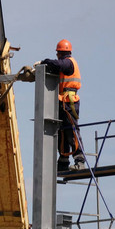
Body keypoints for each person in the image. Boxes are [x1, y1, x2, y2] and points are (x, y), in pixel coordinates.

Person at [34, 39, 86, 171]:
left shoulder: (68, 63)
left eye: (58, 53)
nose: (57, 55)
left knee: (71, 131)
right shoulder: (64, 63)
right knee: (61, 132)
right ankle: (63, 161)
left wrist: (44, 62)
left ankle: (79, 160)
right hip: (63, 101)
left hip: (69, 102)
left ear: (61, 53)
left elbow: (58, 65)